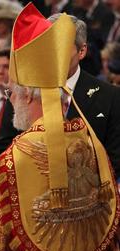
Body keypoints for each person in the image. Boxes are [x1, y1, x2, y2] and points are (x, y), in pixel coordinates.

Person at [0, 3, 120, 251]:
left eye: (13, 94)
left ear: (29, 96)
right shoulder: (86, 137)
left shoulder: (19, 155)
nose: (11, 100)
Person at [48, 13, 120, 179]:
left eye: (62, 47)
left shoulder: (110, 96)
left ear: (82, 51)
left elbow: (115, 158)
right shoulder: (27, 92)